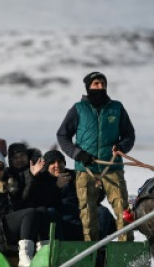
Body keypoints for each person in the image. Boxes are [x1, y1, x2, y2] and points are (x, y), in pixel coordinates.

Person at [56, 71, 135, 241]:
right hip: (86, 169)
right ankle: (91, 254)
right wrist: (78, 154)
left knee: (124, 210)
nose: (100, 87)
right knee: (88, 214)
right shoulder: (78, 109)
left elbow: (129, 135)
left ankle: (126, 255)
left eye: (103, 84)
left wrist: (122, 146)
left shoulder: (117, 108)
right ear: (88, 87)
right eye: (96, 84)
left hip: (112, 167)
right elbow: (62, 136)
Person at [23, 149, 117, 241]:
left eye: (60, 162)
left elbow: (94, 199)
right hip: (60, 225)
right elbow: (37, 202)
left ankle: (97, 246)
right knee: (50, 212)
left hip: (81, 220)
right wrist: (56, 187)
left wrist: (99, 187)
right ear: (47, 166)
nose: (57, 165)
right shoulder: (42, 179)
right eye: (52, 163)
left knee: (102, 211)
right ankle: (61, 249)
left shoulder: (75, 176)